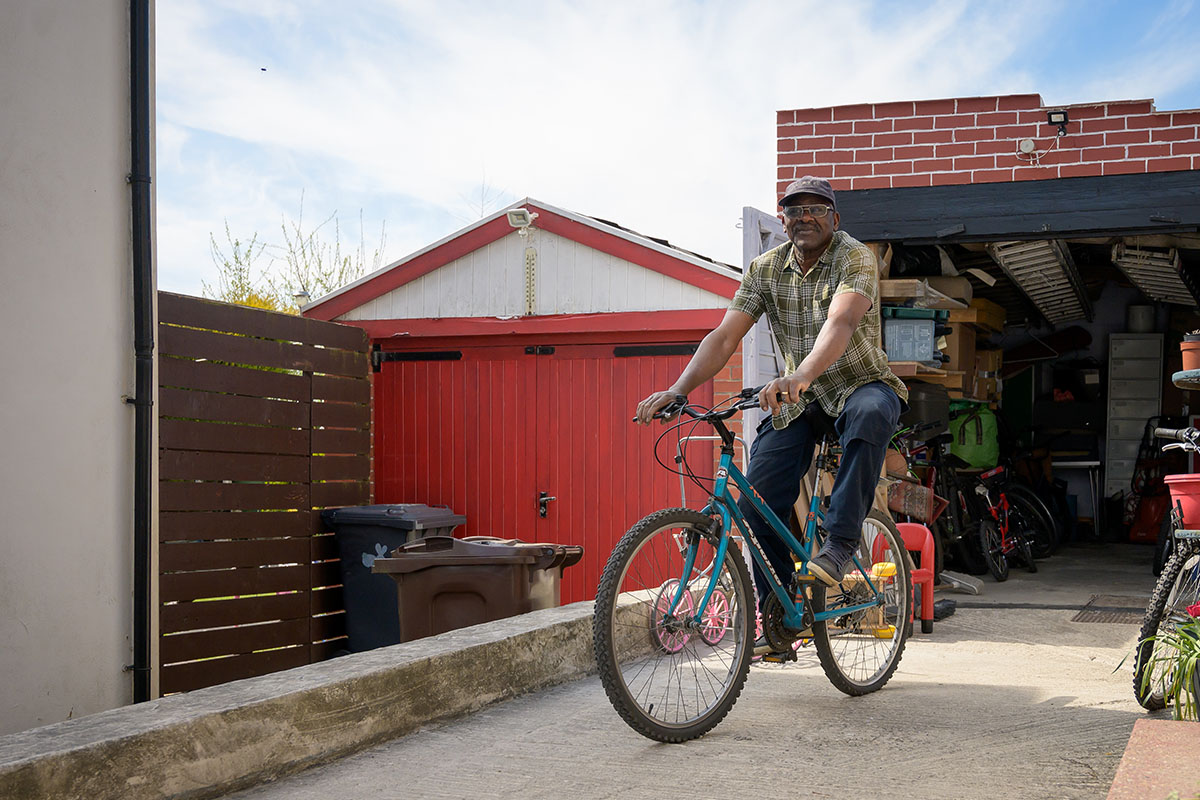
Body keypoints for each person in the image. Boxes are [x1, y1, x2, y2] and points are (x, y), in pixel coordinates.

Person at [634, 176, 908, 650]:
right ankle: (782, 616)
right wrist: (679, 389)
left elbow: (842, 320)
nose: (805, 217)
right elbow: (725, 336)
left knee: (869, 414)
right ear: (783, 221)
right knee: (754, 504)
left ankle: (841, 542)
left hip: (859, 384)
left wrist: (800, 374)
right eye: (794, 210)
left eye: (816, 209)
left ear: (834, 218)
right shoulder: (765, 269)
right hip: (799, 400)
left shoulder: (853, 256)